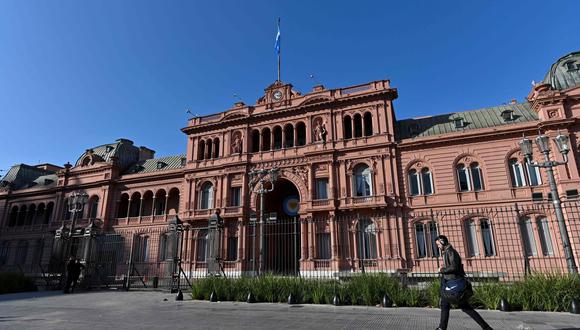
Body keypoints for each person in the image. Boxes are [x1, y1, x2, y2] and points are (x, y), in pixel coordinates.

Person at [435, 235, 492, 330]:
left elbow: (454, 267)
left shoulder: (451, 252)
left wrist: (442, 269)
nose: (438, 247)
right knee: (445, 305)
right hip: (449, 283)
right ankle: (442, 327)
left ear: (443, 242)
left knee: (465, 307)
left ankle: (486, 327)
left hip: (454, 284)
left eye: (438, 244)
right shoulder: (447, 252)